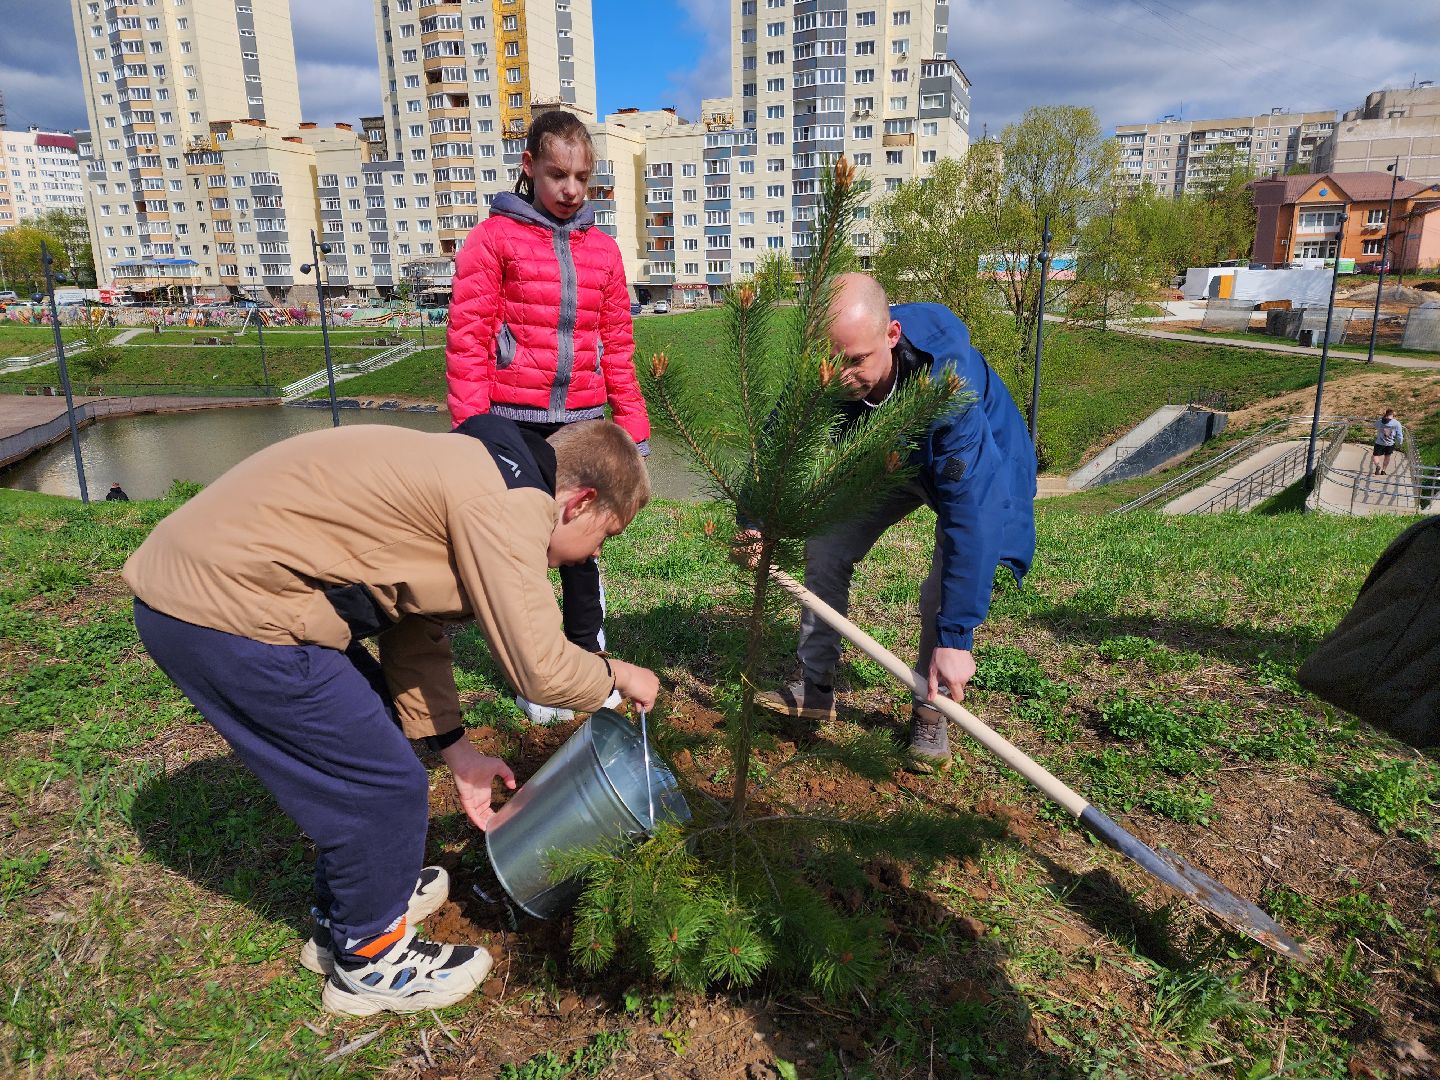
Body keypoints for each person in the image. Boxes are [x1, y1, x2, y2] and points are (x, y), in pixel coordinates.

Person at [124, 417, 659, 1016]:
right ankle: (369, 960)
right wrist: (617, 677)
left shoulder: (480, 469)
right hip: (225, 608)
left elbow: (413, 623)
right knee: (380, 782)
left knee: (376, 738)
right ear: (578, 503)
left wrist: (456, 749)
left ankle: (348, 912)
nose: (594, 555)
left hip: (213, 587)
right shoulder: (511, 504)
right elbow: (538, 667)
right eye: (605, 536)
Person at [749, 274, 1037, 766]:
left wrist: (957, 637)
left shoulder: (950, 385)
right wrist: (754, 518)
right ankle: (815, 685)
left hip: (976, 466)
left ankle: (930, 715)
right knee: (826, 545)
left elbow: (973, 511)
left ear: (892, 335)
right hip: (890, 458)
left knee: (941, 593)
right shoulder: (835, 364)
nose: (842, 376)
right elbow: (780, 439)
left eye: (857, 361)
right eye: (831, 361)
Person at [447, 109, 650, 726]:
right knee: (523, 550)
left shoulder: (604, 252)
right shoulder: (492, 241)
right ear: (529, 166)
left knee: (583, 547)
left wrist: (632, 425)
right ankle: (533, 671)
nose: (570, 189)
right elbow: (468, 338)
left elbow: (617, 342)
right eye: (557, 174)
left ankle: (589, 656)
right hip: (513, 420)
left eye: (583, 178)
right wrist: (472, 427)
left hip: (583, 421)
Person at [1373, 408, 1404, 476]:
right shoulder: (1396, 423)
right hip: (1390, 443)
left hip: (1379, 442)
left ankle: (1378, 465)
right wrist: (1400, 443)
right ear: (1392, 414)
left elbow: (1375, 425)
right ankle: (1383, 471)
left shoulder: (1380, 421)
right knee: (1387, 456)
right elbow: (1399, 434)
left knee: (1375, 455)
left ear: (1386, 414)